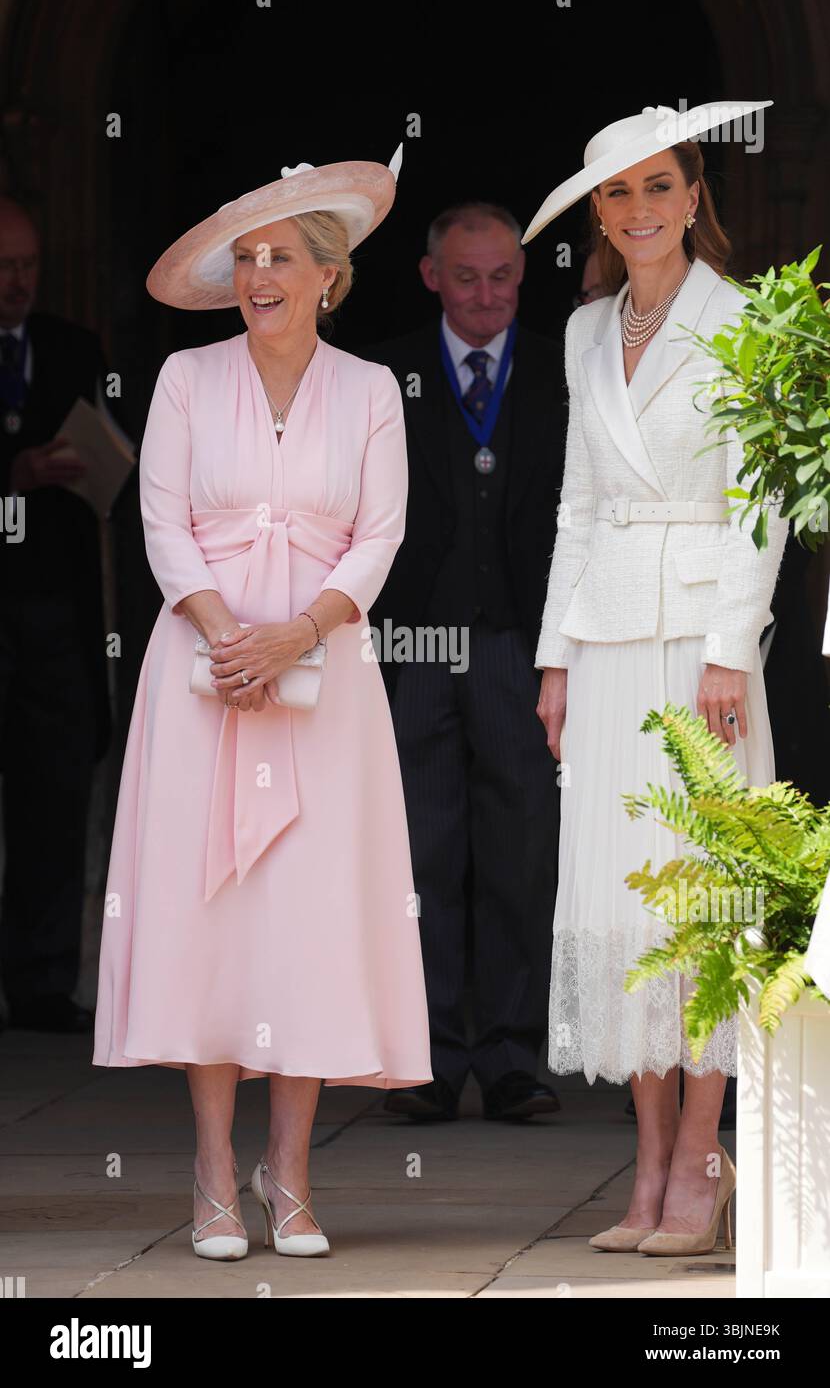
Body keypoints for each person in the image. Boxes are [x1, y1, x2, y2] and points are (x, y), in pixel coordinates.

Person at [92, 150, 432, 1260]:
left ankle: (287, 1176)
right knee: (212, 922)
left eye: (281, 256)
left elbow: (380, 534)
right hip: (200, 678)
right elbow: (159, 520)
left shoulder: (372, 389)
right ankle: (208, 1173)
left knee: (306, 922)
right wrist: (224, 632)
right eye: (246, 260)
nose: (261, 276)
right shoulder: (188, 379)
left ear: (329, 276)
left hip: (325, 683)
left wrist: (301, 630)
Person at [524, 102, 789, 1255]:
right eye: (617, 193)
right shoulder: (583, 331)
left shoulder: (742, 320)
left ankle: (699, 1161)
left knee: (701, 905)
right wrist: (551, 658)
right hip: (605, 636)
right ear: (598, 212)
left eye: (660, 187)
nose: (639, 210)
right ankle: (640, 1171)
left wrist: (733, 646)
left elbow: (761, 499)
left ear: (694, 199)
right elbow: (576, 504)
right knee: (623, 906)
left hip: (700, 650)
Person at [364, 203, 564, 1122]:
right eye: (468, 276)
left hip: (523, 643)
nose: (488, 296)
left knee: (523, 852)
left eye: (504, 278)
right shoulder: (383, 372)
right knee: (420, 857)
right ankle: (430, 1061)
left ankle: (514, 1058)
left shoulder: (564, 366)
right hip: (410, 646)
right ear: (430, 275)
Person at [0, 196, 118, 1035]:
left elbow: (114, 446)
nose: (16, 283)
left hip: (53, 609)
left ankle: (43, 981)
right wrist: (14, 471)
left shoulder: (72, 348)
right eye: (3, 267)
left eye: (28, 266)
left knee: (52, 795)